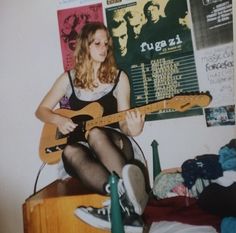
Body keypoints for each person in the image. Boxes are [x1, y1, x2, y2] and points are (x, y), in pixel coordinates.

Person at [35, 22, 149, 233]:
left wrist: (134, 128)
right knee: (69, 150)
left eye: (106, 44)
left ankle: (122, 203)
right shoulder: (68, 78)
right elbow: (41, 110)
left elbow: (125, 121)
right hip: (83, 147)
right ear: (84, 46)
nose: (104, 48)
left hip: (114, 142)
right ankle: (122, 203)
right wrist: (58, 120)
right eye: (97, 43)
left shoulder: (119, 78)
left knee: (95, 133)